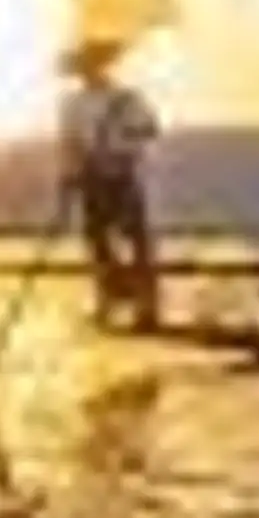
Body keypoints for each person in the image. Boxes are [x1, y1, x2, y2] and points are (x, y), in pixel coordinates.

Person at [58, 38, 162, 331]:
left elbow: (150, 128)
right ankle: (108, 299)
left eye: (92, 65)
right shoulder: (72, 104)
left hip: (121, 174)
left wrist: (124, 140)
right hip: (91, 177)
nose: (89, 72)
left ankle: (146, 307)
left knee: (137, 242)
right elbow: (70, 142)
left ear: (103, 67)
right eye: (84, 67)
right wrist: (70, 174)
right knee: (98, 243)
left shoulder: (127, 99)